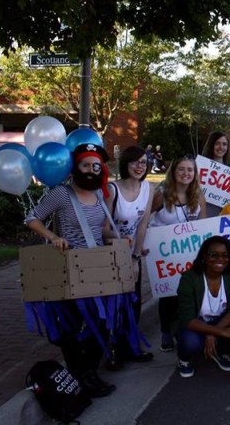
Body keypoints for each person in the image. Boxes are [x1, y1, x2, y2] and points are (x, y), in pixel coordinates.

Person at [25, 144, 129, 398]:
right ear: (75, 167)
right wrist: (52, 237)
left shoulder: (99, 196)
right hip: (70, 267)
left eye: (96, 166)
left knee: (104, 324)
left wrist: (119, 237)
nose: (92, 170)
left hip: (97, 267)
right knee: (71, 327)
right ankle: (83, 376)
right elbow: (31, 218)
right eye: (86, 165)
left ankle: (88, 373)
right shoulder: (62, 194)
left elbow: (98, 230)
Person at [104, 145, 156, 370]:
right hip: (111, 253)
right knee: (114, 304)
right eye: (135, 162)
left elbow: (143, 224)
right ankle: (112, 350)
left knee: (133, 302)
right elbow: (103, 228)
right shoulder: (112, 189)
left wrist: (136, 257)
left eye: (143, 162)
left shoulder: (148, 189)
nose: (139, 166)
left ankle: (130, 346)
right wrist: (120, 236)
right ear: (125, 163)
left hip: (132, 255)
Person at [151, 155, 208, 352]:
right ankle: (166, 332)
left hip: (189, 253)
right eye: (181, 169)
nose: (186, 173)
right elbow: (144, 221)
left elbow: (203, 226)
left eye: (190, 170)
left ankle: (186, 328)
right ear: (173, 172)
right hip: (164, 254)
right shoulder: (161, 194)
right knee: (167, 295)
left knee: (188, 293)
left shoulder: (198, 196)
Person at [175, 236, 230, 378]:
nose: (220, 259)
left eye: (225, 255)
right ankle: (183, 359)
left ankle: (221, 350)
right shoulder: (189, 279)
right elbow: (187, 319)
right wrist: (221, 332)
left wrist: (214, 332)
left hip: (221, 321)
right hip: (196, 324)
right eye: (214, 255)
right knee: (190, 342)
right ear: (204, 256)